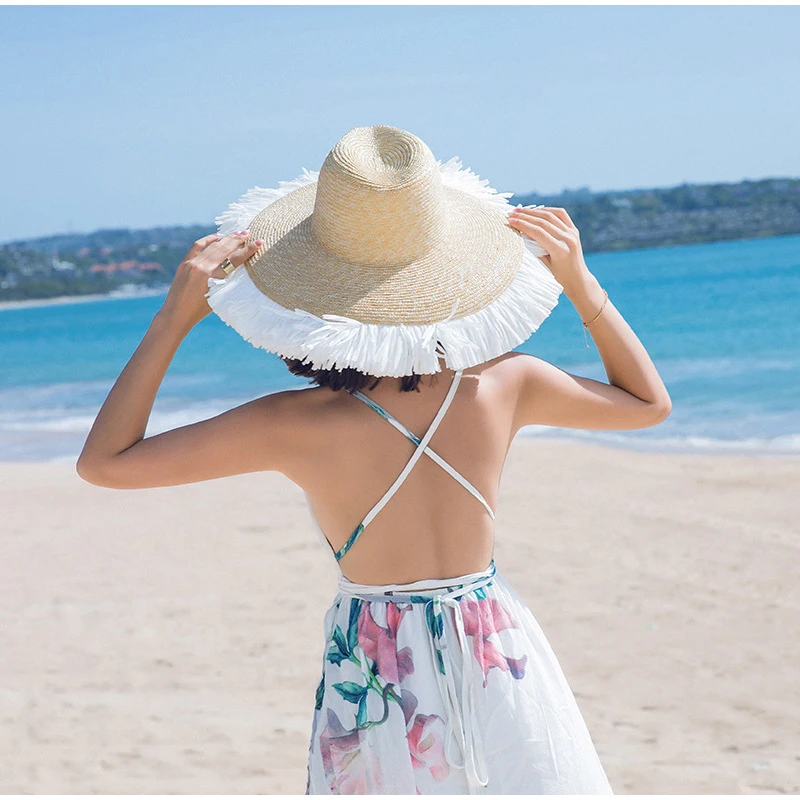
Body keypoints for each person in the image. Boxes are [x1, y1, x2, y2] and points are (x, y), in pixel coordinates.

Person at [77, 125, 671, 794]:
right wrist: (580, 282)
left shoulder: (290, 424)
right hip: (493, 642)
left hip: (377, 664)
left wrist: (174, 319)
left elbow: (105, 463)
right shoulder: (505, 385)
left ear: (306, 308)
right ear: (452, 284)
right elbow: (647, 404)